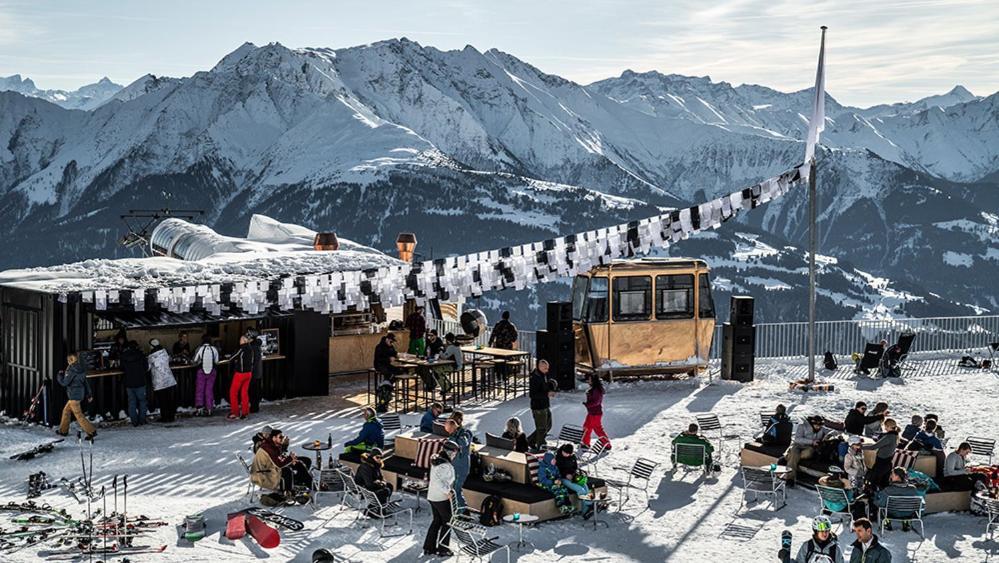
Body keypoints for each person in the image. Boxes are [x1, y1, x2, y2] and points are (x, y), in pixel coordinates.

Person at [424, 441, 458, 557]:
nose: (454, 455)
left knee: (437, 521)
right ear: (449, 452)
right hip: (441, 498)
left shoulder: (437, 461)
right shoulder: (444, 465)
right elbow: (439, 482)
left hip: (433, 496)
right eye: (454, 453)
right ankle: (443, 549)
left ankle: (429, 547)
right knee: (448, 522)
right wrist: (447, 491)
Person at [257, 429, 312, 501]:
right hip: (269, 470)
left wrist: (285, 448)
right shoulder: (266, 446)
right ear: (272, 437)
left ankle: (304, 482)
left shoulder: (272, 444)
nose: (282, 438)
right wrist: (289, 459)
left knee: (302, 462)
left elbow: (280, 455)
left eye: (282, 437)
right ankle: (292, 490)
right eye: (280, 437)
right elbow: (277, 462)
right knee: (289, 469)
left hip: (275, 465)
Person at [56, 353, 97, 439]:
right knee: (66, 411)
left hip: (73, 396)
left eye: (68, 360)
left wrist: (59, 375)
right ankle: (63, 430)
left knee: (78, 415)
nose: (67, 362)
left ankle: (91, 431)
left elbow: (64, 383)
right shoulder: (81, 368)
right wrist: (89, 394)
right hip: (79, 394)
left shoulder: (71, 370)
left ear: (70, 360)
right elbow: (86, 383)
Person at [784, 415, 833, 486]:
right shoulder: (802, 426)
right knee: (794, 454)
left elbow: (832, 432)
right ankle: (790, 479)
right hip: (798, 445)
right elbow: (797, 439)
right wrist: (812, 442)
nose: (818, 427)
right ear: (812, 423)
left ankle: (788, 456)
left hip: (809, 448)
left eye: (820, 426)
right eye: (816, 425)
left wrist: (828, 436)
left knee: (807, 453)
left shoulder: (822, 429)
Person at [555, 444, 595, 519]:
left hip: (573, 477)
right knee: (581, 490)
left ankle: (585, 511)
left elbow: (575, 467)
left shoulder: (572, 457)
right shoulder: (558, 458)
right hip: (562, 478)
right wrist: (566, 475)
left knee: (586, 487)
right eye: (565, 453)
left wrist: (572, 474)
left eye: (568, 453)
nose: (566, 455)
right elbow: (556, 470)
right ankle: (589, 506)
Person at [444, 412, 474, 509]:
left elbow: (462, 442)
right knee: (452, 490)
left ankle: (463, 511)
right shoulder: (452, 434)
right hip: (453, 466)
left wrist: (454, 434)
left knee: (456, 490)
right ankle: (456, 509)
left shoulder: (466, 433)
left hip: (461, 466)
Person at [527, 360, 555, 451]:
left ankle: (530, 440)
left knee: (548, 426)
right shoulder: (535, 377)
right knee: (541, 428)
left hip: (545, 405)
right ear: (540, 367)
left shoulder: (544, 375)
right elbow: (533, 395)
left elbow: (545, 386)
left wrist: (551, 386)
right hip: (538, 407)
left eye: (548, 368)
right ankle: (541, 447)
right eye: (545, 368)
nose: (547, 370)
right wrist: (546, 394)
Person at [148, 339, 178, 423]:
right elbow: (170, 360)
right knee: (169, 399)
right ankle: (171, 416)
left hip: (159, 382)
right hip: (169, 379)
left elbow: (147, 367)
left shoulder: (151, 357)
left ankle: (165, 417)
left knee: (162, 401)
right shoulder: (165, 353)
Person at [864, 419, 900, 488]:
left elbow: (873, 447)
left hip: (881, 463)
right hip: (888, 462)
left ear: (888, 426)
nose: (884, 428)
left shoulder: (889, 437)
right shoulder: (896, 436)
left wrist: (861, 447)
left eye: (885, 426)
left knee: (874, 482)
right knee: (883, 483)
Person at [120, 341, 148, 427]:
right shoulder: (141, 355)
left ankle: (134, 421)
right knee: (142, 401)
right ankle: (142, 420)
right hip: (140, 382)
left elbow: (122, 368)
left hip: (129, 383)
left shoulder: (124, 356)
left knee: (132, 402)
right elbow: (146, 367)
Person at [537, 449, 574, 516]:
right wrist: (553, 481)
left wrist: (559, 479)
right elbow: (542, 480)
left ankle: (568, 505)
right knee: (557, 490)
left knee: (564, 489)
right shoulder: (542, 468)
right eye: (553, 460)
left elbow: (558, 475)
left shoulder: (554, 467)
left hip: (555, 482)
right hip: (545, 484)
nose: (555, 461)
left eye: (554, 459)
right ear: (548, 460)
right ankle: (561, 506)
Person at [581, 373, 611, 450]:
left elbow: (596, 402)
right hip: (591, 412)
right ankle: (585, 443)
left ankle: (607, 444)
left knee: (598, 429)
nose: (588, 381)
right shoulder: (593, 389)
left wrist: (587, 404)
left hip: (595, 413)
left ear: (594, 380)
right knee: (586, 427)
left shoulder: (597, 390)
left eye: (590, 379)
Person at [227, 336, 254, 420]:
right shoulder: (251, 349)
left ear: (244, 341)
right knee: (244, 393)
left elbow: (232, 357)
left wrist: (229, 358)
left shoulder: (242, 349)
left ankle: (235, 413)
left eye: (241, 339)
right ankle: (245, 413)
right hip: (249, 373)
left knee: (233, 392)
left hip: (240, 374)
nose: (239, 340)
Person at [192, 334, 219, 417]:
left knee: (200, 390)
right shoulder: (214, 349)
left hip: (201, 371)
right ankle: (209, 409)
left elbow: (195, 360)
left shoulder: (200, 349)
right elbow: (217, 361)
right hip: (212, 372)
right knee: (209, 390)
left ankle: (199, 409)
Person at [488, 311, 518, 381]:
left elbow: (493, 334)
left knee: (498, 362)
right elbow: (515, 337)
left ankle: (498, 377)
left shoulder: (498, 324)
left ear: (502, 316)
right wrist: (510, 340)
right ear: (508, 317)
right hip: (507, 348)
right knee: (506, 362)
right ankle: (505, 377)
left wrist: (490, 343)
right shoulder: (511, 326)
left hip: (498, 347)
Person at [248, 329, 265, 413]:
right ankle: (256, 406)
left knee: (252, 390)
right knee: (256, 389)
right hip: (258, 371)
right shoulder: (258, 346)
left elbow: (252, 361)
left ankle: (254, 407)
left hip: (253, 372)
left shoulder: (252, 348)